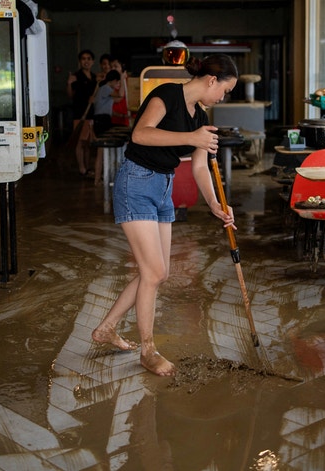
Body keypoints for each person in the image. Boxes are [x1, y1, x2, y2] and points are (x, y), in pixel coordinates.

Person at [91, 54, 239, 377]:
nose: (222, 98)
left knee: (156, 271)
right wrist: (190, 138)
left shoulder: (200, 117)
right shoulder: (166, 95)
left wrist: (215, 205)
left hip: (163, 188)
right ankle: (148, 351)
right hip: (136, 182)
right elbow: (141, 134)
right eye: (224, 91)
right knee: (154, 272)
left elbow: (200, 167)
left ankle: (106, 328)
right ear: (212, 81)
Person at [67, 50, 97, 176]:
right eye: (84, 59)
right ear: (80, 61)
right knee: (80, 142)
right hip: (80, 114)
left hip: (91, 114)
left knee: (88, 143)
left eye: (89, 58)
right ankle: (82, 168)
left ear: (92, 61)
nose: (86, 61)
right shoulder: (76, 76)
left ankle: (87, 167)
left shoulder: (95, 77)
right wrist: (69, 83)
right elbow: (70, 95)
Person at [91, 70, 122, 184]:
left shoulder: (104, 90)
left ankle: (100, 178)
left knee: (102, 151)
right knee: (101, 151)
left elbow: (117, 99)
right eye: (117, 82)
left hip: (102, 120)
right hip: (102, 121)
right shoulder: (106, 88)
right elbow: (120, 95)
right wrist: (123, 79)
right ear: (114, 81)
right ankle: (97, 179)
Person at [110, 58, 131, 127]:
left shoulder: (130, 81)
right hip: (114, 119)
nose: (113, 69)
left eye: (115, 67)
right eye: (111, 67)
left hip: (128, 119)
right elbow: (119, 97)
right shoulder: (109, 83)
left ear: (123, 67)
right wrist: (122, 79)